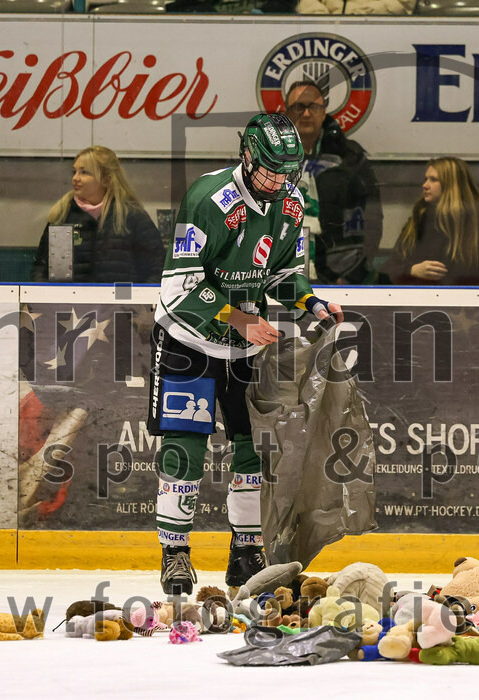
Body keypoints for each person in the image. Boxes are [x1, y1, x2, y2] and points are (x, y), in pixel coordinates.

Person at [148, 113, 344, 595]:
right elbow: (179, 286)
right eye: (270, 171)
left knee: (252, 450)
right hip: (187, 341)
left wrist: (311, 302)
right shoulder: (208, 198)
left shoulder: (292, 202)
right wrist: (239, 318)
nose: (278, 182)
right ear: (248, 157)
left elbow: (282, 273)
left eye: (287, 172)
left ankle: (246, 552)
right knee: (184, 449)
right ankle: (175, 554)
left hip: (243, 350)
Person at [281, 79, 386, 284]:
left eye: (313, 107)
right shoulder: (267, 156)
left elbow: (372, 218)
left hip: (338, 276)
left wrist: (353, 274)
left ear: (323, 112)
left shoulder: (349, 157)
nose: (306, 114)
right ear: (286, 114)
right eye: (298, 107)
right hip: (281, 272)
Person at [31, 145, 165, 283]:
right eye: (74, 172)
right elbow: (41, 269)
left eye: (84, 172)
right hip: (71, 297)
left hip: (121, 297)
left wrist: (136, 296)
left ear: (106, 180)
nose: (75, 178)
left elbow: (156, 269)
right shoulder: (63, 215)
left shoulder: (132, 216)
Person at [383, 157, 479, 285]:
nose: (425, 185)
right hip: (421, 294)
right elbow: (390, 268)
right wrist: (411, 270)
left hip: (467, 295)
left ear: (451, 184)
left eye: (433, 180)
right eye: (426, 179)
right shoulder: (419, 218)